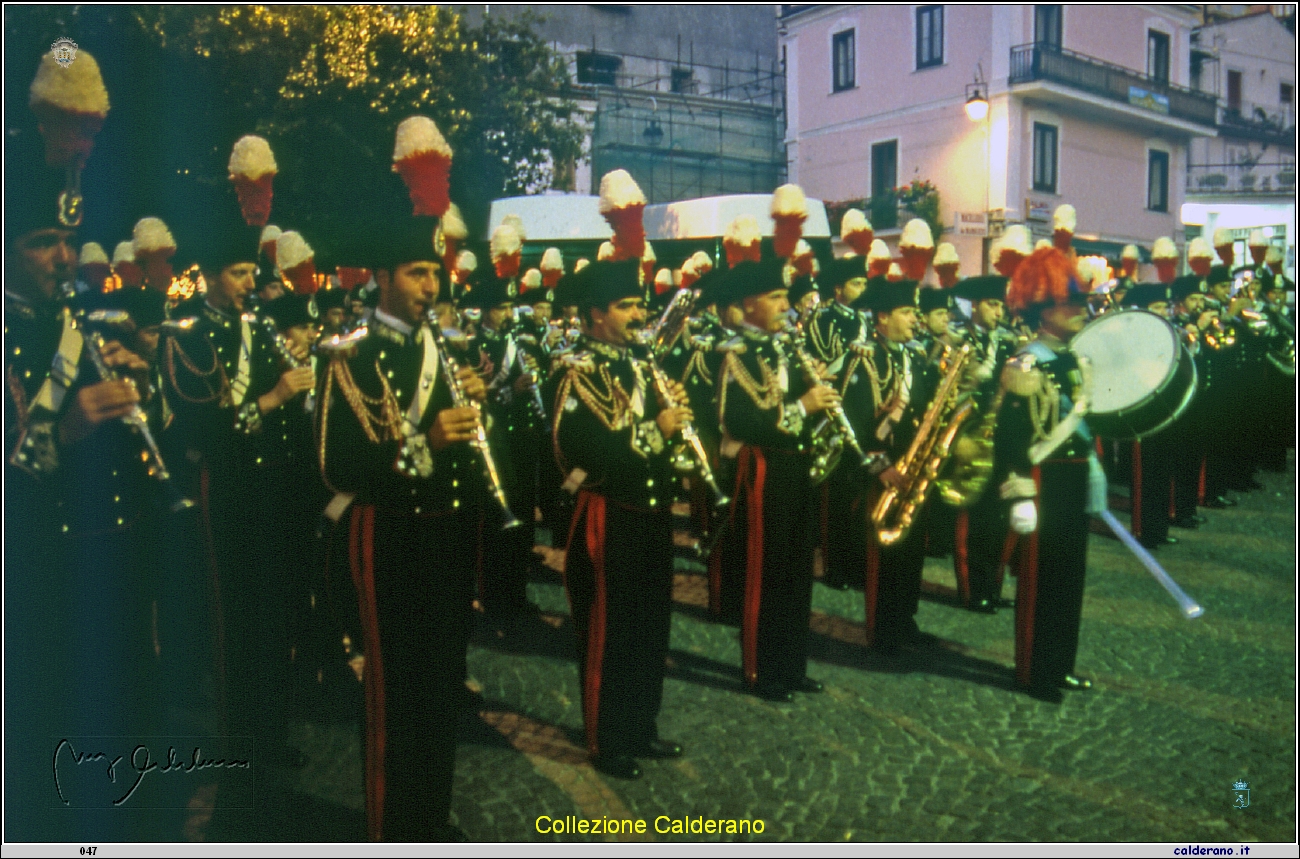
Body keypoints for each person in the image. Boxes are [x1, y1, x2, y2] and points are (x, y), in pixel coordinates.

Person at [316, 209, 484, 841]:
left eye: (434, 274)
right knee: (395, 691)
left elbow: (456, 456)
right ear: (383, 277)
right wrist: (426, 441)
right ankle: (393, 829)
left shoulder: (439, 349)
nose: (430, 287)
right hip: (387, 539)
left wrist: (469, 419)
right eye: (417, 273)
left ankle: (430, 819)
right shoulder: (348, 355)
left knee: (441, 687)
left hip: (442, 536)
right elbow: (337, 464)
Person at [550, 258, 691, 779]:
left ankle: (641, 725)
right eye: (625, 306)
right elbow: (577, 451)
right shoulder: (575, 368)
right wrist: (656, 430)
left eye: (638, 305)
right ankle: (606, 738)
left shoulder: (640, 361)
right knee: (610, 629)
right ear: (594, 314)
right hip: (610, 512)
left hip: (651, 509)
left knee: (651, 625)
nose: (638, 314)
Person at [714, 258, 839, 701]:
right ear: (749, 305)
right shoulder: (737, 353)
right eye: (777, 298)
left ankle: (792, 664)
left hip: (797, 466)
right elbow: (741, 420)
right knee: (765, 573)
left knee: (796, 571)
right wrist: (805, 405)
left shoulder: (784, 347)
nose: (787, 306)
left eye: (787, 297)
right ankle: (761, 669)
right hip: (764, 470)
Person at [995, 247, 1105, 703]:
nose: (1081, 311)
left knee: (1069, 579)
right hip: (1042, 483)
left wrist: (1094, 466)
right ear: (1044, 309)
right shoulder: (1025, 363)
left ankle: (1060, 664)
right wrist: (1019, 493)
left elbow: (1083, 422)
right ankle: (1035, 670)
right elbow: (1010, 436)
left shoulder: (1074, 359)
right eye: (1070, 303)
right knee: (1040, 580)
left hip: (1073, 477)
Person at [837, 278, 940, 651]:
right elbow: (851, 419)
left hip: (913, 466)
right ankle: (882, 629)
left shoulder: (913, 357)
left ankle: (904, 618)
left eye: (915, 312)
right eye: (907, 313)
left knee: (912, 549)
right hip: (881, 470)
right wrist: (878, 466)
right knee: (884, 552)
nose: (916, 320)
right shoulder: (864, 358)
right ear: (883, 316)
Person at [948, 274, 1018, 612]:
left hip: (1001, 436)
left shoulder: (1008, 343)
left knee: (999, 516)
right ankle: (972, 589)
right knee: (972, 517)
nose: (998, 312)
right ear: (975, 305)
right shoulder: (958, 339)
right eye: (992, 305)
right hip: (971, 437)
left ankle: (993, 583)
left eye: (1001, 306)